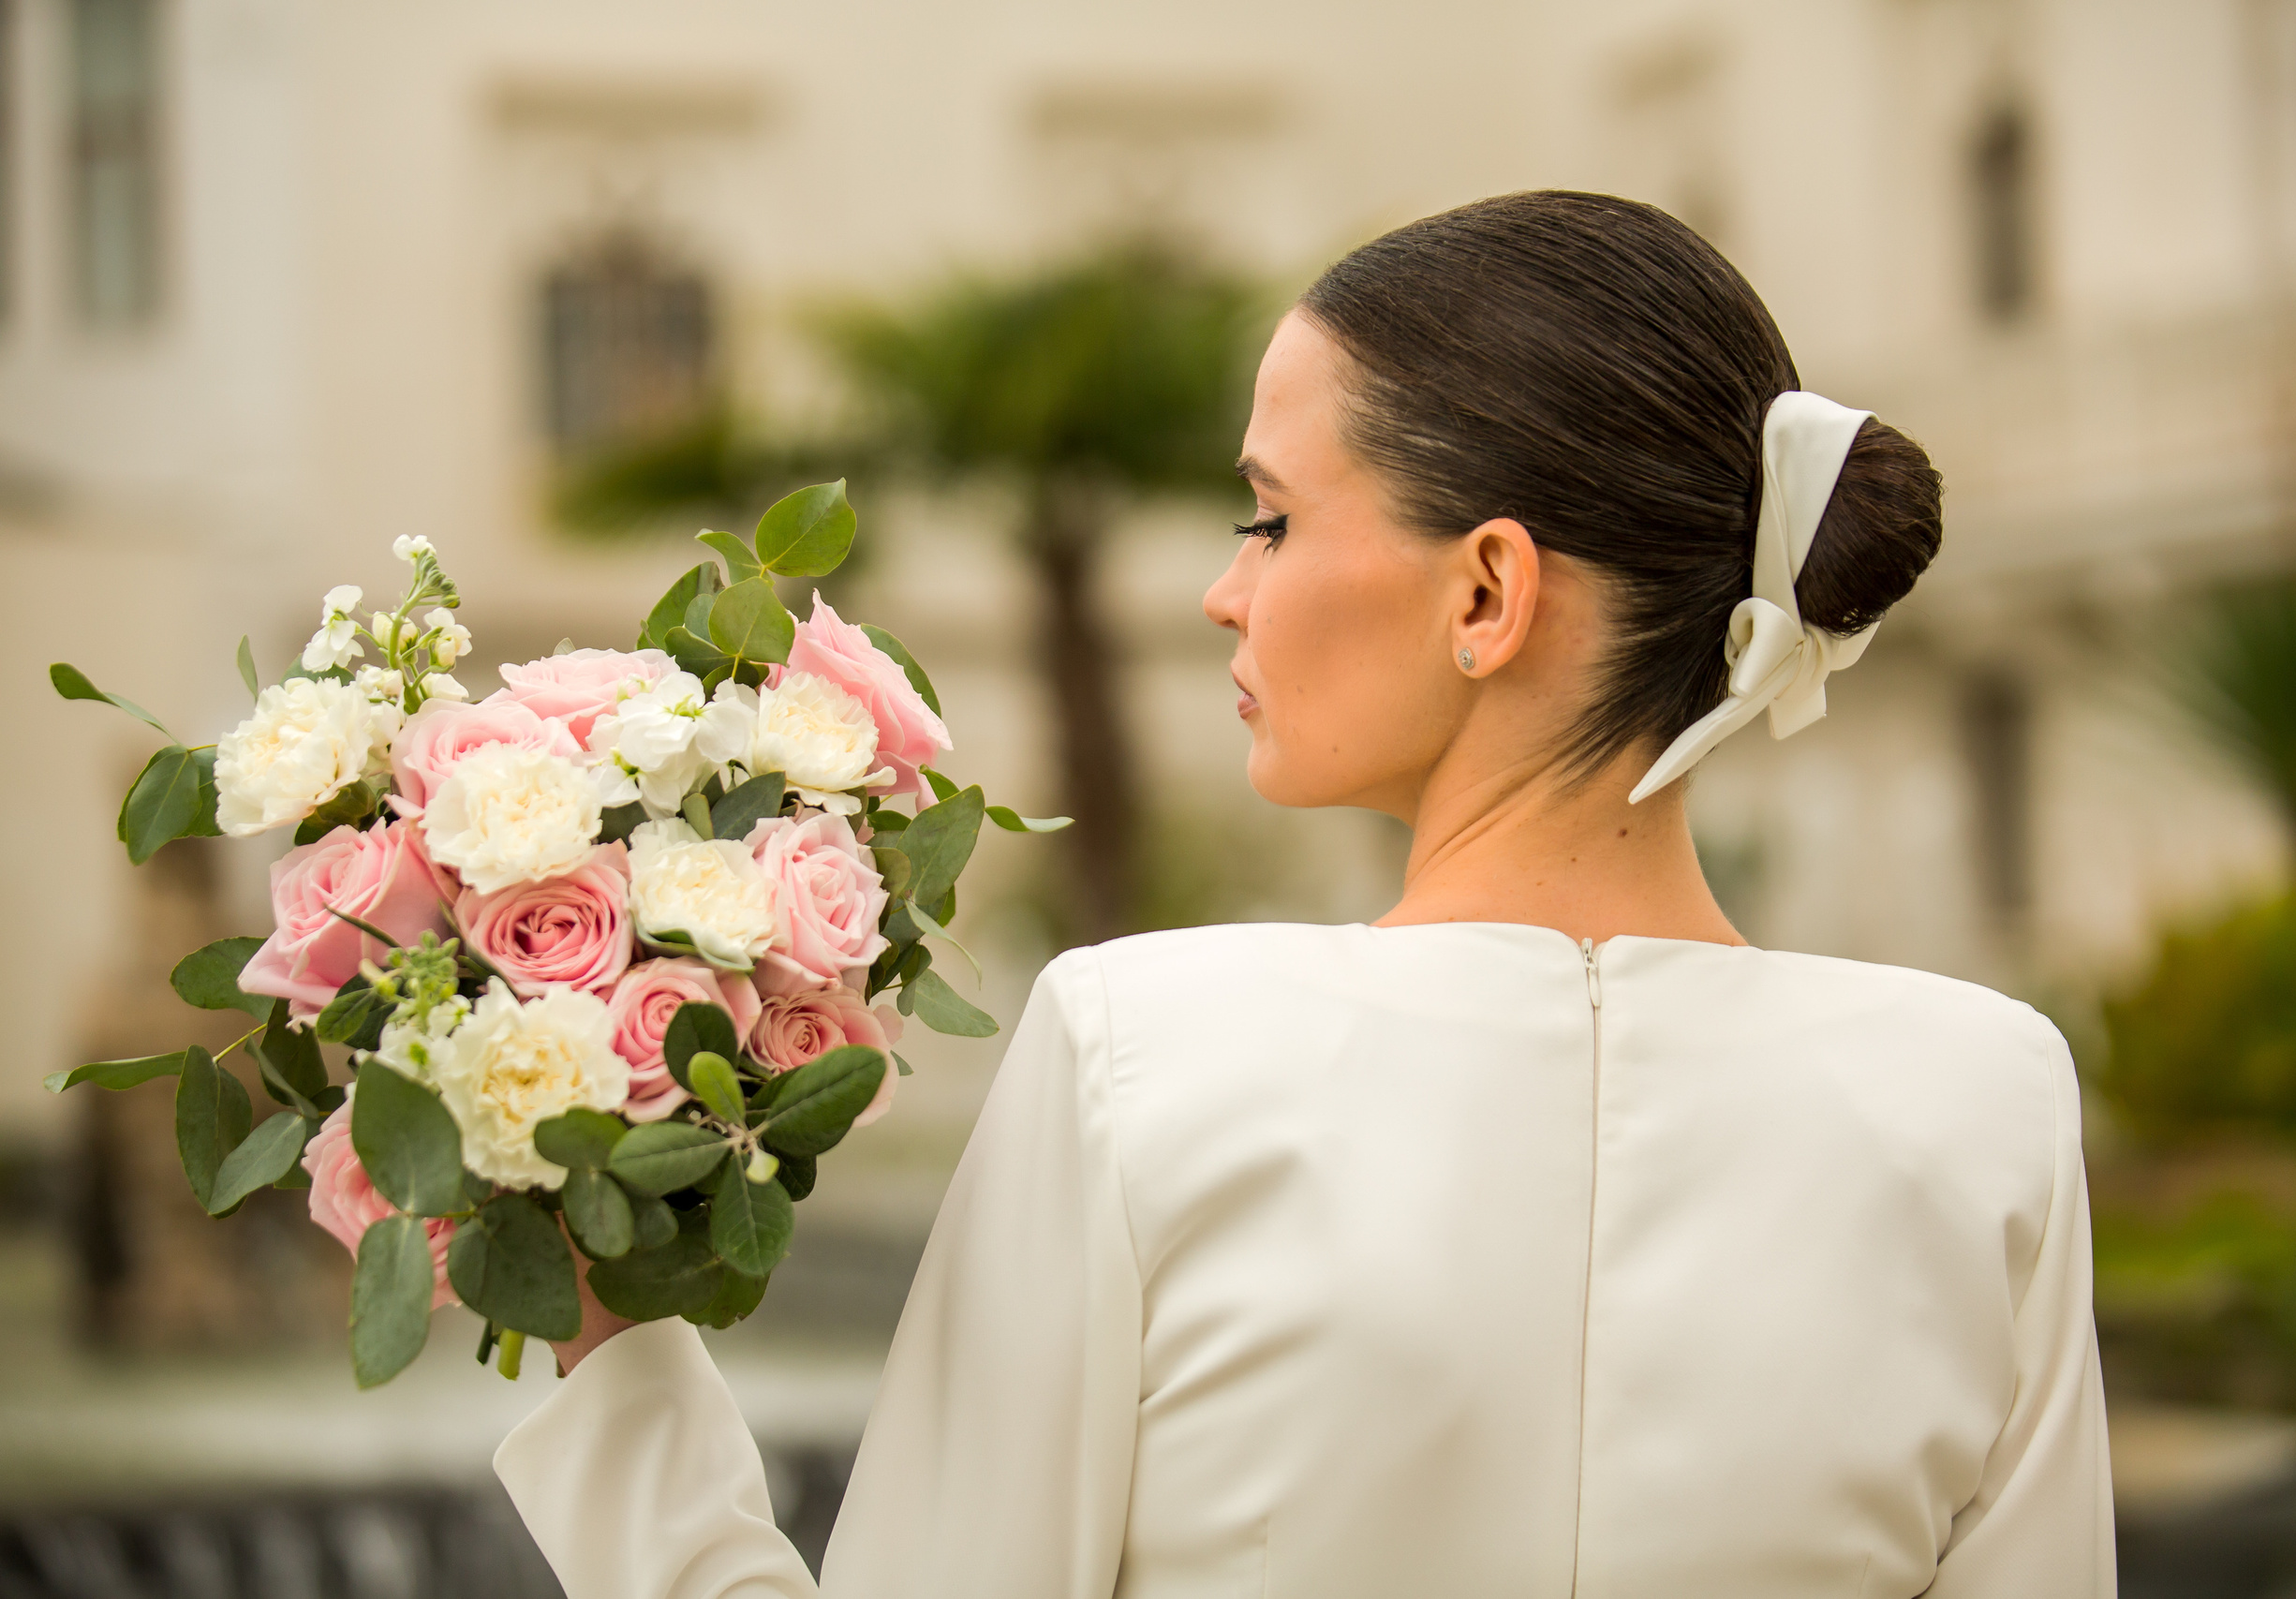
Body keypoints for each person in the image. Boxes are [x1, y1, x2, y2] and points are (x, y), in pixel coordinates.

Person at [495, 191, 2113, 1598]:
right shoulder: (1985, 1104)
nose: (1222, 588)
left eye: (1271, 517)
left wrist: (616, 1360)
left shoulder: (1143, 1056)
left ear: (1487, 590)